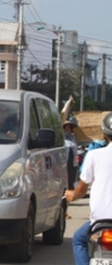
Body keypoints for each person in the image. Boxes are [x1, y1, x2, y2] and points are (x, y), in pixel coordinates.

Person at [66, 112, 112, 265]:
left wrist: (72, 196)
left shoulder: (94, 155)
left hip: (99, 222)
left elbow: (81, 189)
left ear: (104, 133)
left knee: (79, 240)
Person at [64, 116, 80, 191]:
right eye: (66, 128)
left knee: (72, 179)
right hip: (64, 162)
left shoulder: (74, 138)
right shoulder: (62, 139)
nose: (67, 130)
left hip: (72, 163)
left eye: (69, 128)